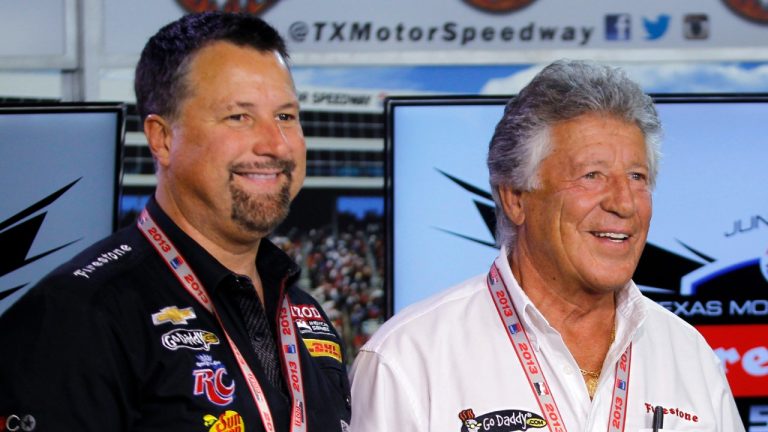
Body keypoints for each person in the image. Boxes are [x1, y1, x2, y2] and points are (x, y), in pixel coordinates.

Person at [0, 12, 351, 432]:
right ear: (162, 138)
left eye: (286, 117)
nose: (274, 144)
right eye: (238, 116)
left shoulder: (306, 315)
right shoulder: (76, 317)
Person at [349, 60, 744, 431]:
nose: (624, 203)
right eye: (592, 175)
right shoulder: (408, 359)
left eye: (638, 177)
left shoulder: (690, 355)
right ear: (516, 198)